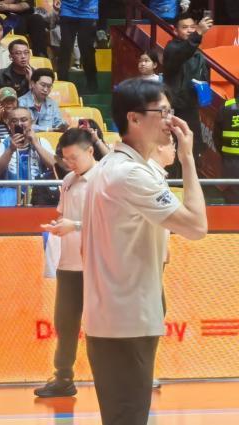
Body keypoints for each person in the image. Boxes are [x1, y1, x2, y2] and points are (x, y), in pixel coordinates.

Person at [82, 78, 207, 425]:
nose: (171, 120)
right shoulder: (129, 175)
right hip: (126, 321)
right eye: (162, 112)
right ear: (134, 118)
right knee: (128, 417)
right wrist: (188, 158)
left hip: (117, 317)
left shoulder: (115, 167)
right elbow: (197, 226)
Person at [35, 128, 97, 398]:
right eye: (66, 158)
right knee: (65, 322)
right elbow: (65, 216)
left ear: (90, 151)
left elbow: (111, 221)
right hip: (69, 262)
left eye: (74, 158)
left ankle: (107, 376)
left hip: (97, 264)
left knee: (99, 326)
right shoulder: (69, 180)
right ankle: (63, 377)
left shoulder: (105, 179)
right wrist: (59, 225)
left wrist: (75, 225)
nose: (69, 163)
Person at [163, 12, 212, 159]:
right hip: (175, 108)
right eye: (184, 27)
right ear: (175, 30)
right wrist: (198, 33)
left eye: (192, 27)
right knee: (174, 151)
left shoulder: (197, 53)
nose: (190, 30)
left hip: (192, 108)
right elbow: (183, 52)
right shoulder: (172, 48)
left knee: (194, 151)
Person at [0, 107, 56, 206]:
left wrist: (36, 144)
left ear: (31, 122)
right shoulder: (2, 145)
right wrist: (10, 149)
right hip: (9, 199)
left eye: (24, 120)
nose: (19, 124)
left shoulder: (42, 142)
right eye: (14, 121)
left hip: (38, 197)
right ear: (9, 125)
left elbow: (55, 167)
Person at [18, 68, 68, 132]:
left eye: (49, 86)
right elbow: (24, 126)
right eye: (43, 85)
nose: (45, 90)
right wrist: (47, 129)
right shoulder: (21, 102)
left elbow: (58, 123)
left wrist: (63, 126)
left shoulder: (52, 103)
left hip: (50, 137)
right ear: (32, 84)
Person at [214, 97, 239, 204]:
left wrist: (225, 154)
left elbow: (216, 137)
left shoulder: (226, 107)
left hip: (230, 164)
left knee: (233, 200)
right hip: (230, 161)